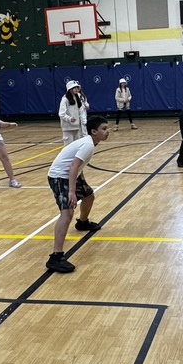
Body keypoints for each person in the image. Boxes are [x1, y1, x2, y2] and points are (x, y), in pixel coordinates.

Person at [45, 115, 110, 273]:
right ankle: (55, 257)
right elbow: (73, 166)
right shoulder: (88, 144)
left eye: (107, 128)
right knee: (67, 213)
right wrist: (72, 192)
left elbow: (76, 166)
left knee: (89, 196)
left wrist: (82, 185)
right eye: (104, 129)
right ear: (94, 131)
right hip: (59, 177)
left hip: (69, 174)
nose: (108, 132)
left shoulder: (90, 142)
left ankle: (82, 222)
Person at [58, 81, 89, 145]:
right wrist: (69, 118)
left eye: (77, 87)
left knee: (76, 146)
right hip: (68, 128)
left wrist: (83, 121)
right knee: (68, 146)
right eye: (74, 88)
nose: (76, 89)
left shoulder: (78, 98)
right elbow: (61, 113)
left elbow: (81, 111)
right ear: (70, 89)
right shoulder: (65, 99)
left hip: (77, 127)